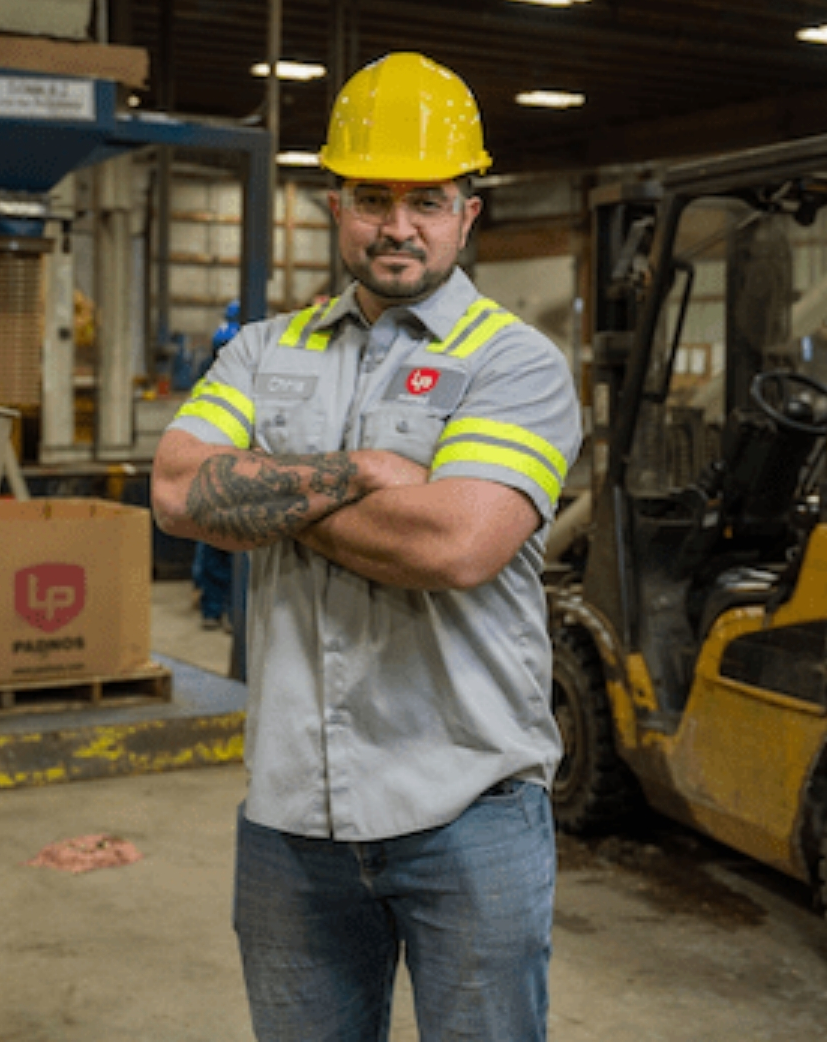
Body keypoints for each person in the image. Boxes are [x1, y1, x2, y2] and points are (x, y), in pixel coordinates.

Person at [152, 51, 582, 1041]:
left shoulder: (513, 362)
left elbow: (454, 545)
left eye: (427, 199)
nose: (399, 226)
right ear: (332, 204)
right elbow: (178, 492)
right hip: (292, 820)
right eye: (373, 198)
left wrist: (269, 483)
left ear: (468, 211)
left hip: (467, 812)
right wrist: (360, 475)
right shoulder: (266, 349)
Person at [190, 299, 241, 629]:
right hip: (232, 472)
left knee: (214, 547)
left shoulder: (206, 383)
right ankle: (227, 612)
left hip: (213, 473)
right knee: (230, 550)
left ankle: (213, 609)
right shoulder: (246, 351)